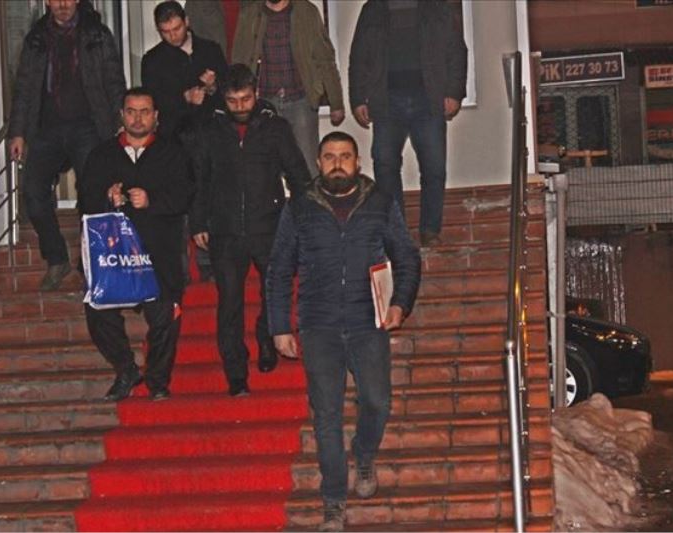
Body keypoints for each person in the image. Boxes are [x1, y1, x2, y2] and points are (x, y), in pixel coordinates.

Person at [266, 131, 421, 532]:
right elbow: (279, 268)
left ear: (357, 162)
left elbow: (406, 256)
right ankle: (333, 500)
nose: (337, 163)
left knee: (378, 402)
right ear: (319, 163)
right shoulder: (299, 206)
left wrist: (400, 303)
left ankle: (364, 453)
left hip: (368, 321)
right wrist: (280, 326)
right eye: (330, 156)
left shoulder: (380, 201)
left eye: (345, 156)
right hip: (318, 325)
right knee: (326, 416)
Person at [190, 63, 311, 396]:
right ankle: (236, 373)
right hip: (225, 229)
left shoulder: (275, 127)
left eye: (245, 99)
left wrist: (302, 219)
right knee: (229, 303)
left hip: (269, 225)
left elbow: (298, 175)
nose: (240, 106)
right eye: (233, 101)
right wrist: (198, 222)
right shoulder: (210, 129)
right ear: (223, 98)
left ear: (256, 93)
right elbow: (200, 178)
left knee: (273, 292)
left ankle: (267, 340)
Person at [79, 87, 194, 402]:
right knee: (97, 312)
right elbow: (84, 199)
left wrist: (151, 201)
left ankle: (158, 381)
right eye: (131, 111)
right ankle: (126, 369)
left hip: (159, 253)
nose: (138, 118)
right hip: (112, 256)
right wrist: (107, 198)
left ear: (156, 116)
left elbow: (186, 194)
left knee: (165, 317)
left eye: (144, 112)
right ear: (122, 115)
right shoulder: (102, 154)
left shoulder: (173, 152)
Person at [8, 0, 126, 291]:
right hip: (46, 128)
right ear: (47, 2)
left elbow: (114, 82)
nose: (62, 4)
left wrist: (120, 121)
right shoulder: (36, 38)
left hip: (88, 126)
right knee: (33, 192)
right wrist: (17, 132)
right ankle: (56, 258)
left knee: (92, 195)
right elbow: (23, 88)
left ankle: (90, 261)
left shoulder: (97, 34)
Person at [349, 0, 467, 247]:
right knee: (385, 167)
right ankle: (397, 233)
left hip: (429, 99)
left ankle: (430, 231)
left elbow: (457, 52)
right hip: (386, 101)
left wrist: (454, 92)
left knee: (434, 168)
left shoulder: (438, 7)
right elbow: (358, 57)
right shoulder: (372, 9)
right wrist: (358, 98)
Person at [232, 0, 345, 177]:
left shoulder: (306, 12)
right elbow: (239, 58)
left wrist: (336, 101)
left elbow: (325, 59)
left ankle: (311, 196)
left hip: (301, 100)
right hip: (264, 103)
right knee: (265, 168)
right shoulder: (250, 14)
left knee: (307, 165)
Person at [141, 1, 230, 143]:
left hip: (212, 136)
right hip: (173, 139)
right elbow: (151, 102)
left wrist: (213, 87)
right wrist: (185, 98)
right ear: (158, 30)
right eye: (165, 32)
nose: (173, 36)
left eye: (177, 28)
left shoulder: (211, 50)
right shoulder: (152, 60)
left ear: (186, 21)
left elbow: (229, 91)